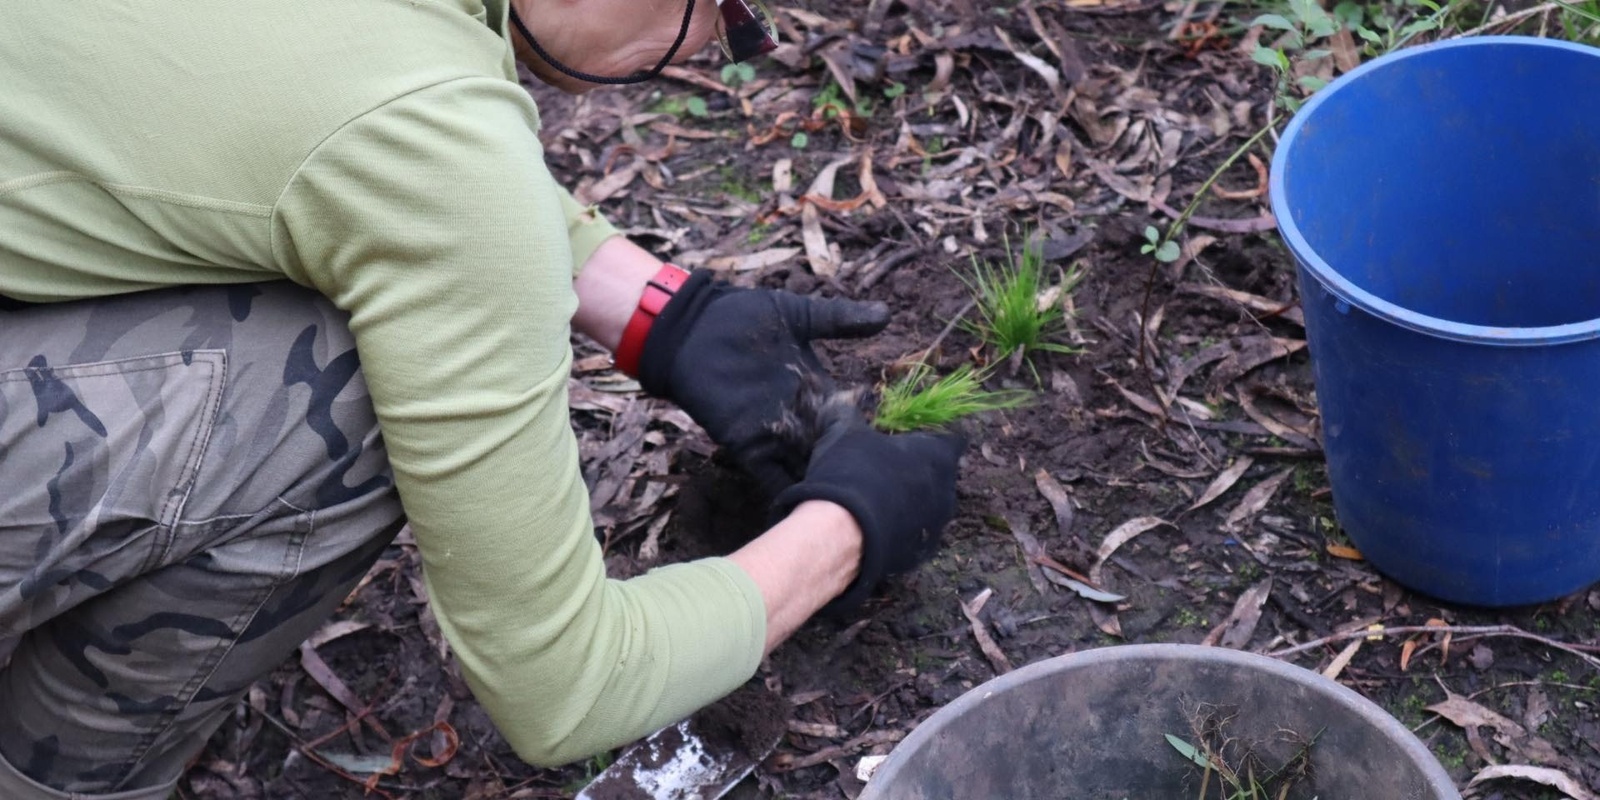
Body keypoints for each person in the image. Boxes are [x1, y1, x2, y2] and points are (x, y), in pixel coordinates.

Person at [0, 0, 966, 797]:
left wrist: (663, 314)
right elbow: (567, 691)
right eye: (729, 12)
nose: (721, 43)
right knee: (341, 392)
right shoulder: (430, 139)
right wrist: (845, 531)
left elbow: (302, 131)